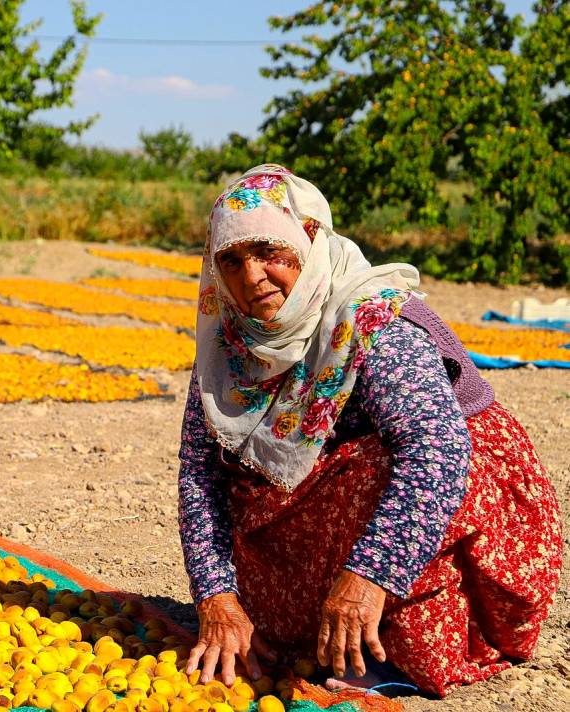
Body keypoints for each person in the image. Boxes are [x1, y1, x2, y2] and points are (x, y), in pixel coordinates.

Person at [176, 164, 562, 697]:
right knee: (268, 548)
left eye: (270, 252)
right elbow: (199, 472)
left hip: (456, 498)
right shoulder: (227, 348)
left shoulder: (372, 323)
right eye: (232, 260)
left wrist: (369, 577)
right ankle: (317, 621)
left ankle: (391, 636)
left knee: (371, 468)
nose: (252, 278)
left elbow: (438, 451)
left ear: (308, 240)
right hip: (333, 505)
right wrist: (216, 598)